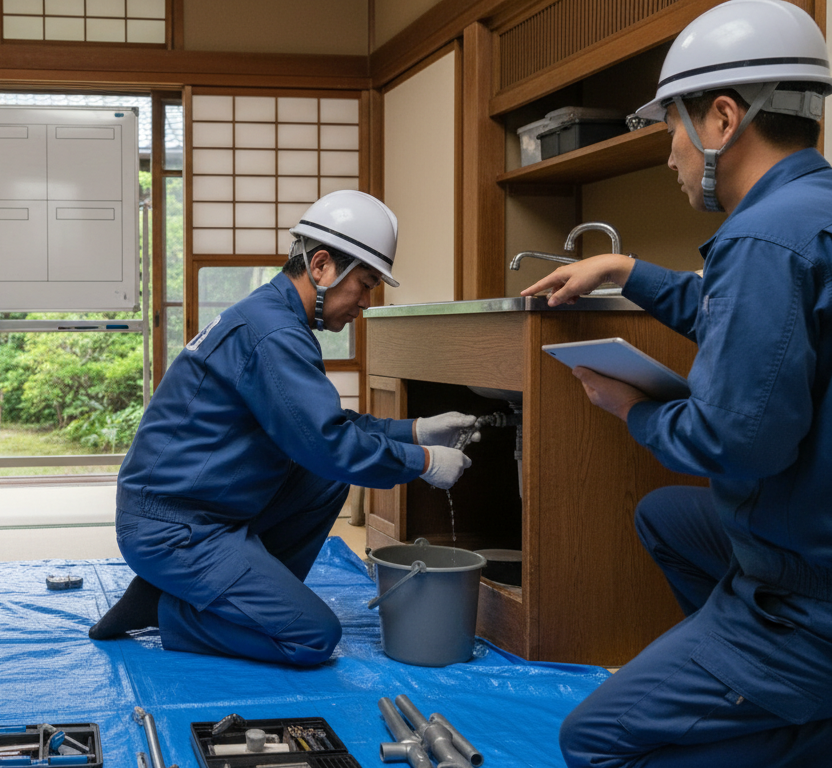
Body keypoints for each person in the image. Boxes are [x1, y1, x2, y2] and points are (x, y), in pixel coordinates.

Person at [521, 2, 832, 764]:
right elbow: (752, 324)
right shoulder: (809, 216)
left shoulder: (761, 237)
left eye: (671, 128)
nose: (669, 155)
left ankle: (783, 711)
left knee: (593, 742)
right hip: (815, 530)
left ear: (723, 118)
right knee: (667, 517)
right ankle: (753, 706)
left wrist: (634, 409)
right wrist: (628, 270)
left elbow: (735, 443)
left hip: (806, 599)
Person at [88, 189, 478, 666]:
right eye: (367, 284)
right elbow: (329, 442)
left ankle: (246, 593)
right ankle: (173, 609)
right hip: (175, 527)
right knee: (312, 637)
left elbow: (322, 428)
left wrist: (415, 430)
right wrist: (423, 463)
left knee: (327, 476)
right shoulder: (274, 334)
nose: (365, 303)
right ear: (321, 267)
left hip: (205, 508)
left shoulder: (273, 318)